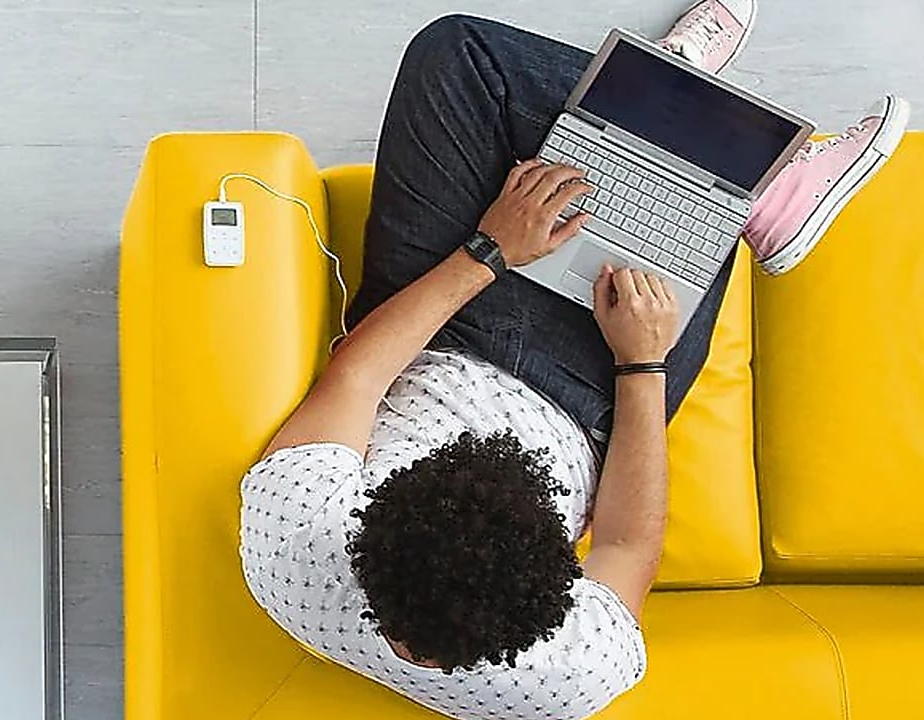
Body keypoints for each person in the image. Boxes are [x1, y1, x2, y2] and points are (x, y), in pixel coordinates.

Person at [239, 2, 910, 719]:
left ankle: (669, 91)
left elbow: (362, 374)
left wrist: (491, 249)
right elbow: (622, 542)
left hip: (434, 339)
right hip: (590, 395)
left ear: (367, 528)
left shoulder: (295, 543)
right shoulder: (570, 673)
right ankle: (748, 183)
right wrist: (643, 363)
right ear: (557, 588)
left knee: (461, 54)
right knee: (673, 219)